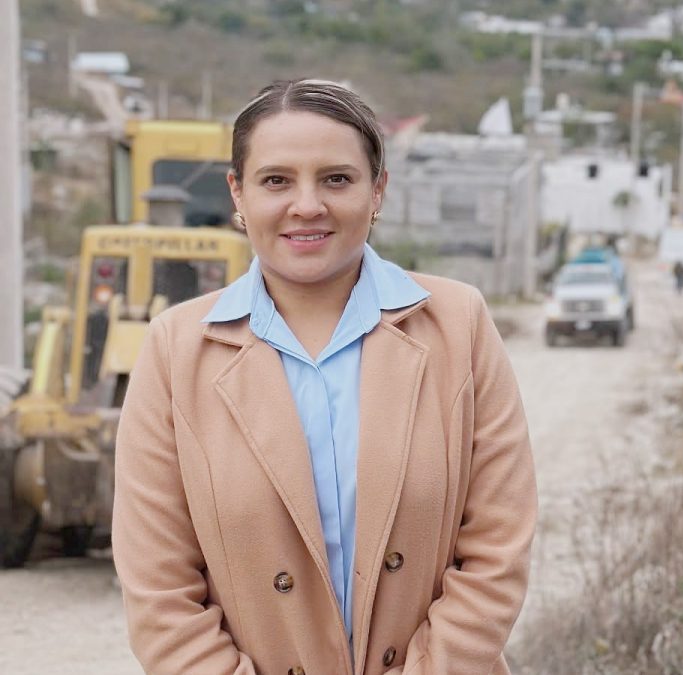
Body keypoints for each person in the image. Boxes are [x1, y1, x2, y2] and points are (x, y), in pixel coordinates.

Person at [112, 79, 537, 675]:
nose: (307, 205)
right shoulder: (175, 351)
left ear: (377, 189)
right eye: (276, 180)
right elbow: (159, 590)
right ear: (237, 193)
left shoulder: (458, 325)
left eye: (336, 179)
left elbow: (497, 547)